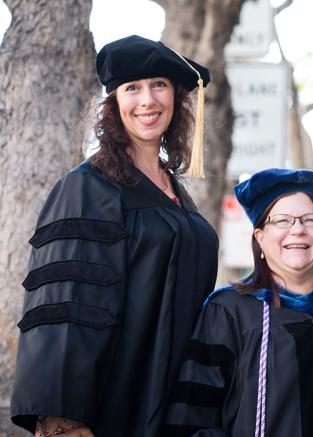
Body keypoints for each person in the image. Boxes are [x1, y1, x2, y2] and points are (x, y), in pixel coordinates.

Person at [10, 35, 218, 437]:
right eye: (132, 88)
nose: (148, 100)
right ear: (113, 103)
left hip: (173, 410)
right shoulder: (89, 187)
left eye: (159, 85)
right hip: (111, 407)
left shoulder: (174, 191)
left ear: (176, 97)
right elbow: (63, 306)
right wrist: (63, 422)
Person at [164, 168, 313, 437]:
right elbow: (192, 418)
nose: (297, 230)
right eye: (281, 220)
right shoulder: (229, 312)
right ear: (260, 238)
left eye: (310, 220)